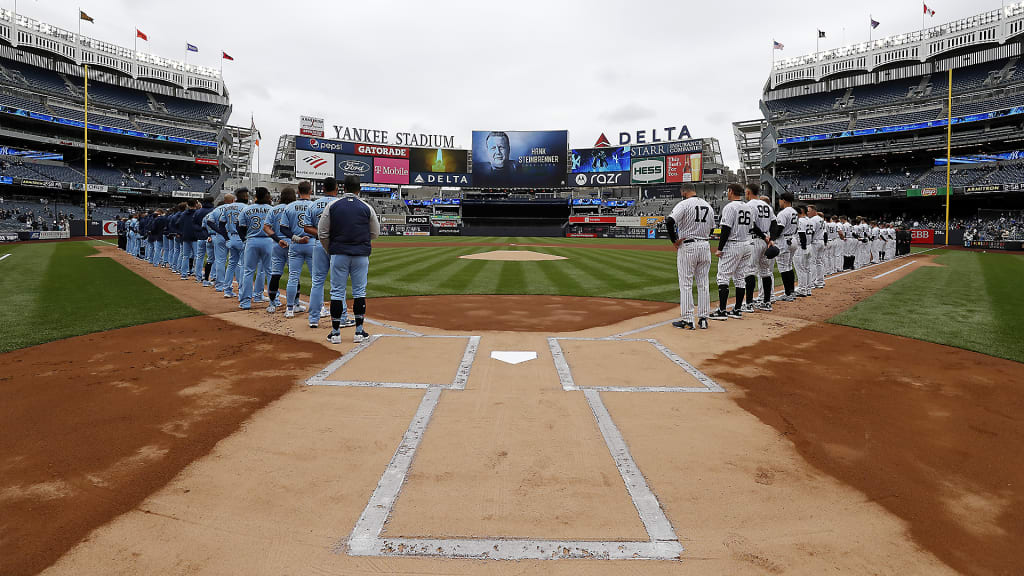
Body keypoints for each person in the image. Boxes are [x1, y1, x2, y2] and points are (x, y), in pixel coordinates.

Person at [317, 175, 379, 344]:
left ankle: (335, 333)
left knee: (337, 292)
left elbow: (322, 233)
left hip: (339, 253)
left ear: (343, 188)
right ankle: (359, 331)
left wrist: (331, 250)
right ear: (359, 189)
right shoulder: (367, 207)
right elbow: (375, 233)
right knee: (360, 291)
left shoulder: (332, 205)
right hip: (360, 254)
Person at [665, 183, 714, 330]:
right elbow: (712, 227)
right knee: (703, 283)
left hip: (689, 245)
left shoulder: (684, 204)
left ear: (684, 191)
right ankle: (704, 319)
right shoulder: (708, 206)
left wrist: (674, 240)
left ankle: (688, 319)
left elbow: (669, 221)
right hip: (705, 245)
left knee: (686, 283)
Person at [710, 183, 753, 320]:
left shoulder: (730, 207)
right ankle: (737, 309)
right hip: (747, 244)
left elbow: (726, 229)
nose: (727, 193)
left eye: (728, 190)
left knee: (723, 277)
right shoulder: (748, 207)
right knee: (740, 278)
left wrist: (720, 248)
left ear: (731, 191)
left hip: (733, 244)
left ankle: (722, 311)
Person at [303, 177, 340, 329]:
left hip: (319, 243)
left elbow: (306, 227)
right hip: (337, 244)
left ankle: (313, 319)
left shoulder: (313, 204)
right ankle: (341, 317)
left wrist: (321, 234)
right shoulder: (340, 203)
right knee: (338, 283)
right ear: (337, 189)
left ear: (322, 189)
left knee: (317, 281)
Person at [238, 187, 274, 310]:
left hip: (252, 240)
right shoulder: (271, 209)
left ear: (256, 197)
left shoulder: (246, 209)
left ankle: (245, 302)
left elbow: (240, 228)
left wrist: (245, 239)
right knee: (270, 271)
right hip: (268, 241)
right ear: (265, 196)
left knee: (248, 272)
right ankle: (275, 300)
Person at [283, 181, 315, 319]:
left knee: (293, 277)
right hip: (312, 243)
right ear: (311, 190)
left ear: (298, 191)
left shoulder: (289, 206)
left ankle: (289, 309)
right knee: (316, 279)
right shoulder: (314, 205)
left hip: (295, 244)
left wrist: (296, 238)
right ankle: (319, 309)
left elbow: (283, 228)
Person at [742, 183, 775, 313]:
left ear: (749, 192)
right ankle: (767, 302)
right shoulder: (767, 206)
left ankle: (749, 303)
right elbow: (774, 223)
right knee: (765, 271)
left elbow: (752, 225)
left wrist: (763, 236)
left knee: (750, 271)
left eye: (746, 192)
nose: (745, 194)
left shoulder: (748, 205)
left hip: (754, 240)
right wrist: (769, 238)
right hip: (764, 241)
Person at [263, 187, 296, 313]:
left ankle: (271, 304)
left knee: (275, 274)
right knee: (294, 275)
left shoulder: (274, 209)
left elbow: (266, 227)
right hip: (292, 243)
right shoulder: (294, 208)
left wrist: (277, 239)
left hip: (277, 244)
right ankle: (295, 303)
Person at [219, 188, 249, 299]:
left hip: (231, 237)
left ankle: (227, 290)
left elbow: (221, 225)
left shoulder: (227, 207)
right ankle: (242, 291)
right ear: (245, 196)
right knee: (242, 265)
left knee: (232, 264)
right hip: (242, 238)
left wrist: (226, 238)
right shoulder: (246, 207)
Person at [774, 193, 799, 302]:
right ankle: (791, 291)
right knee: (789, 266)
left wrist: (772, 238)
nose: (779, 202)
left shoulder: (783, 213)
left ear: (783, 200)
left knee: (784, 267)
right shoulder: (794, 212)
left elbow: (779, 228)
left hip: (784, 240)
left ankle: (788, 293)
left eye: (780, 200)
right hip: (792, 239)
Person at [206, 194, 234, 291]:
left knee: (220, 261)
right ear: (232, 200)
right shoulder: (234, 208)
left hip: (220, 236)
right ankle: (235, 285)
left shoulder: (217, 209)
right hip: (233, 235)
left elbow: (209, 222)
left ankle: (219, 285)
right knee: (235, 261)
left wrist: (219, 231)